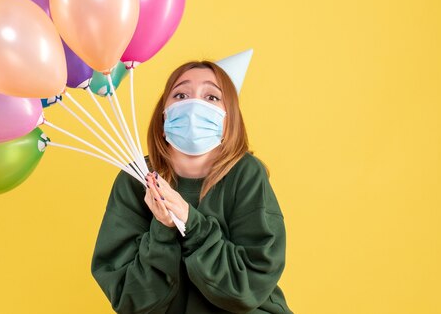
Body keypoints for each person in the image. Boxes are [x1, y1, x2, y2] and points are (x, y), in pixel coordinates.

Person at [91, 60, 293, 314]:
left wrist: (190, 222)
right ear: (163, 115)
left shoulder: (246, 174)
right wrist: (162, 230)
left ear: (227, 121)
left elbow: (247, 288)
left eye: (211, 97)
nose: (194, 106)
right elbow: (131, 300)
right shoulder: (135, 179)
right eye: (181, 95)